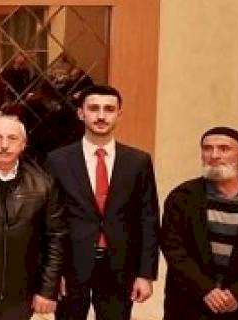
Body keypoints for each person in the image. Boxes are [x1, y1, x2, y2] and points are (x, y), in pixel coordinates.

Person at [46, 86, 159, 320]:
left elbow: (148, 219)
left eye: (109, 109)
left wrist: (145, 274)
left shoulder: (138, 161)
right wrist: (52, 274)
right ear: (81, 113)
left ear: (119, 114)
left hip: (120, 266)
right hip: (71, 266)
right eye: (93, 108)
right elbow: (48, 220)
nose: (101, 116)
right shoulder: (58, 160)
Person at [0, 115, 65, 320]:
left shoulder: (43, 183)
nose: (4, 145)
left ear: (24, 144)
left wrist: (47, 290)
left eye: (12, 138)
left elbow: (55, 239)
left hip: (21, 293)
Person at [160, 127, 238, 319]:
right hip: (189, 305)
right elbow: (174, 250)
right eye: (207, 148)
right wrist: (205, 289)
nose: (214, 155)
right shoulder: (182, 197)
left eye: (224, 149)